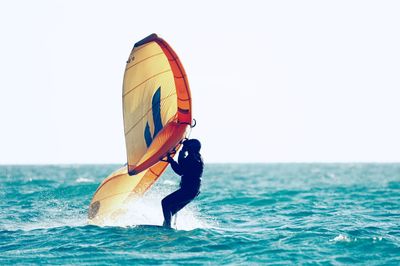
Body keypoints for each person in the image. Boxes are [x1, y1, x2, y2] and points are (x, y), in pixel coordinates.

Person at [161, 139, 204, 228]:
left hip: (188, 190)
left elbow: (180, 169)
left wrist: (172, 160)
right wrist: (172, 161)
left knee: (165, 203)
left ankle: (167, 227)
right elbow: (181, 168)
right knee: (171, 209)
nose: (185, 148)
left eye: (187, 146)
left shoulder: (193, 159)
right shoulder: (196, 157)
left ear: (191, 148)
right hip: (192, 191)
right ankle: (167, 225)